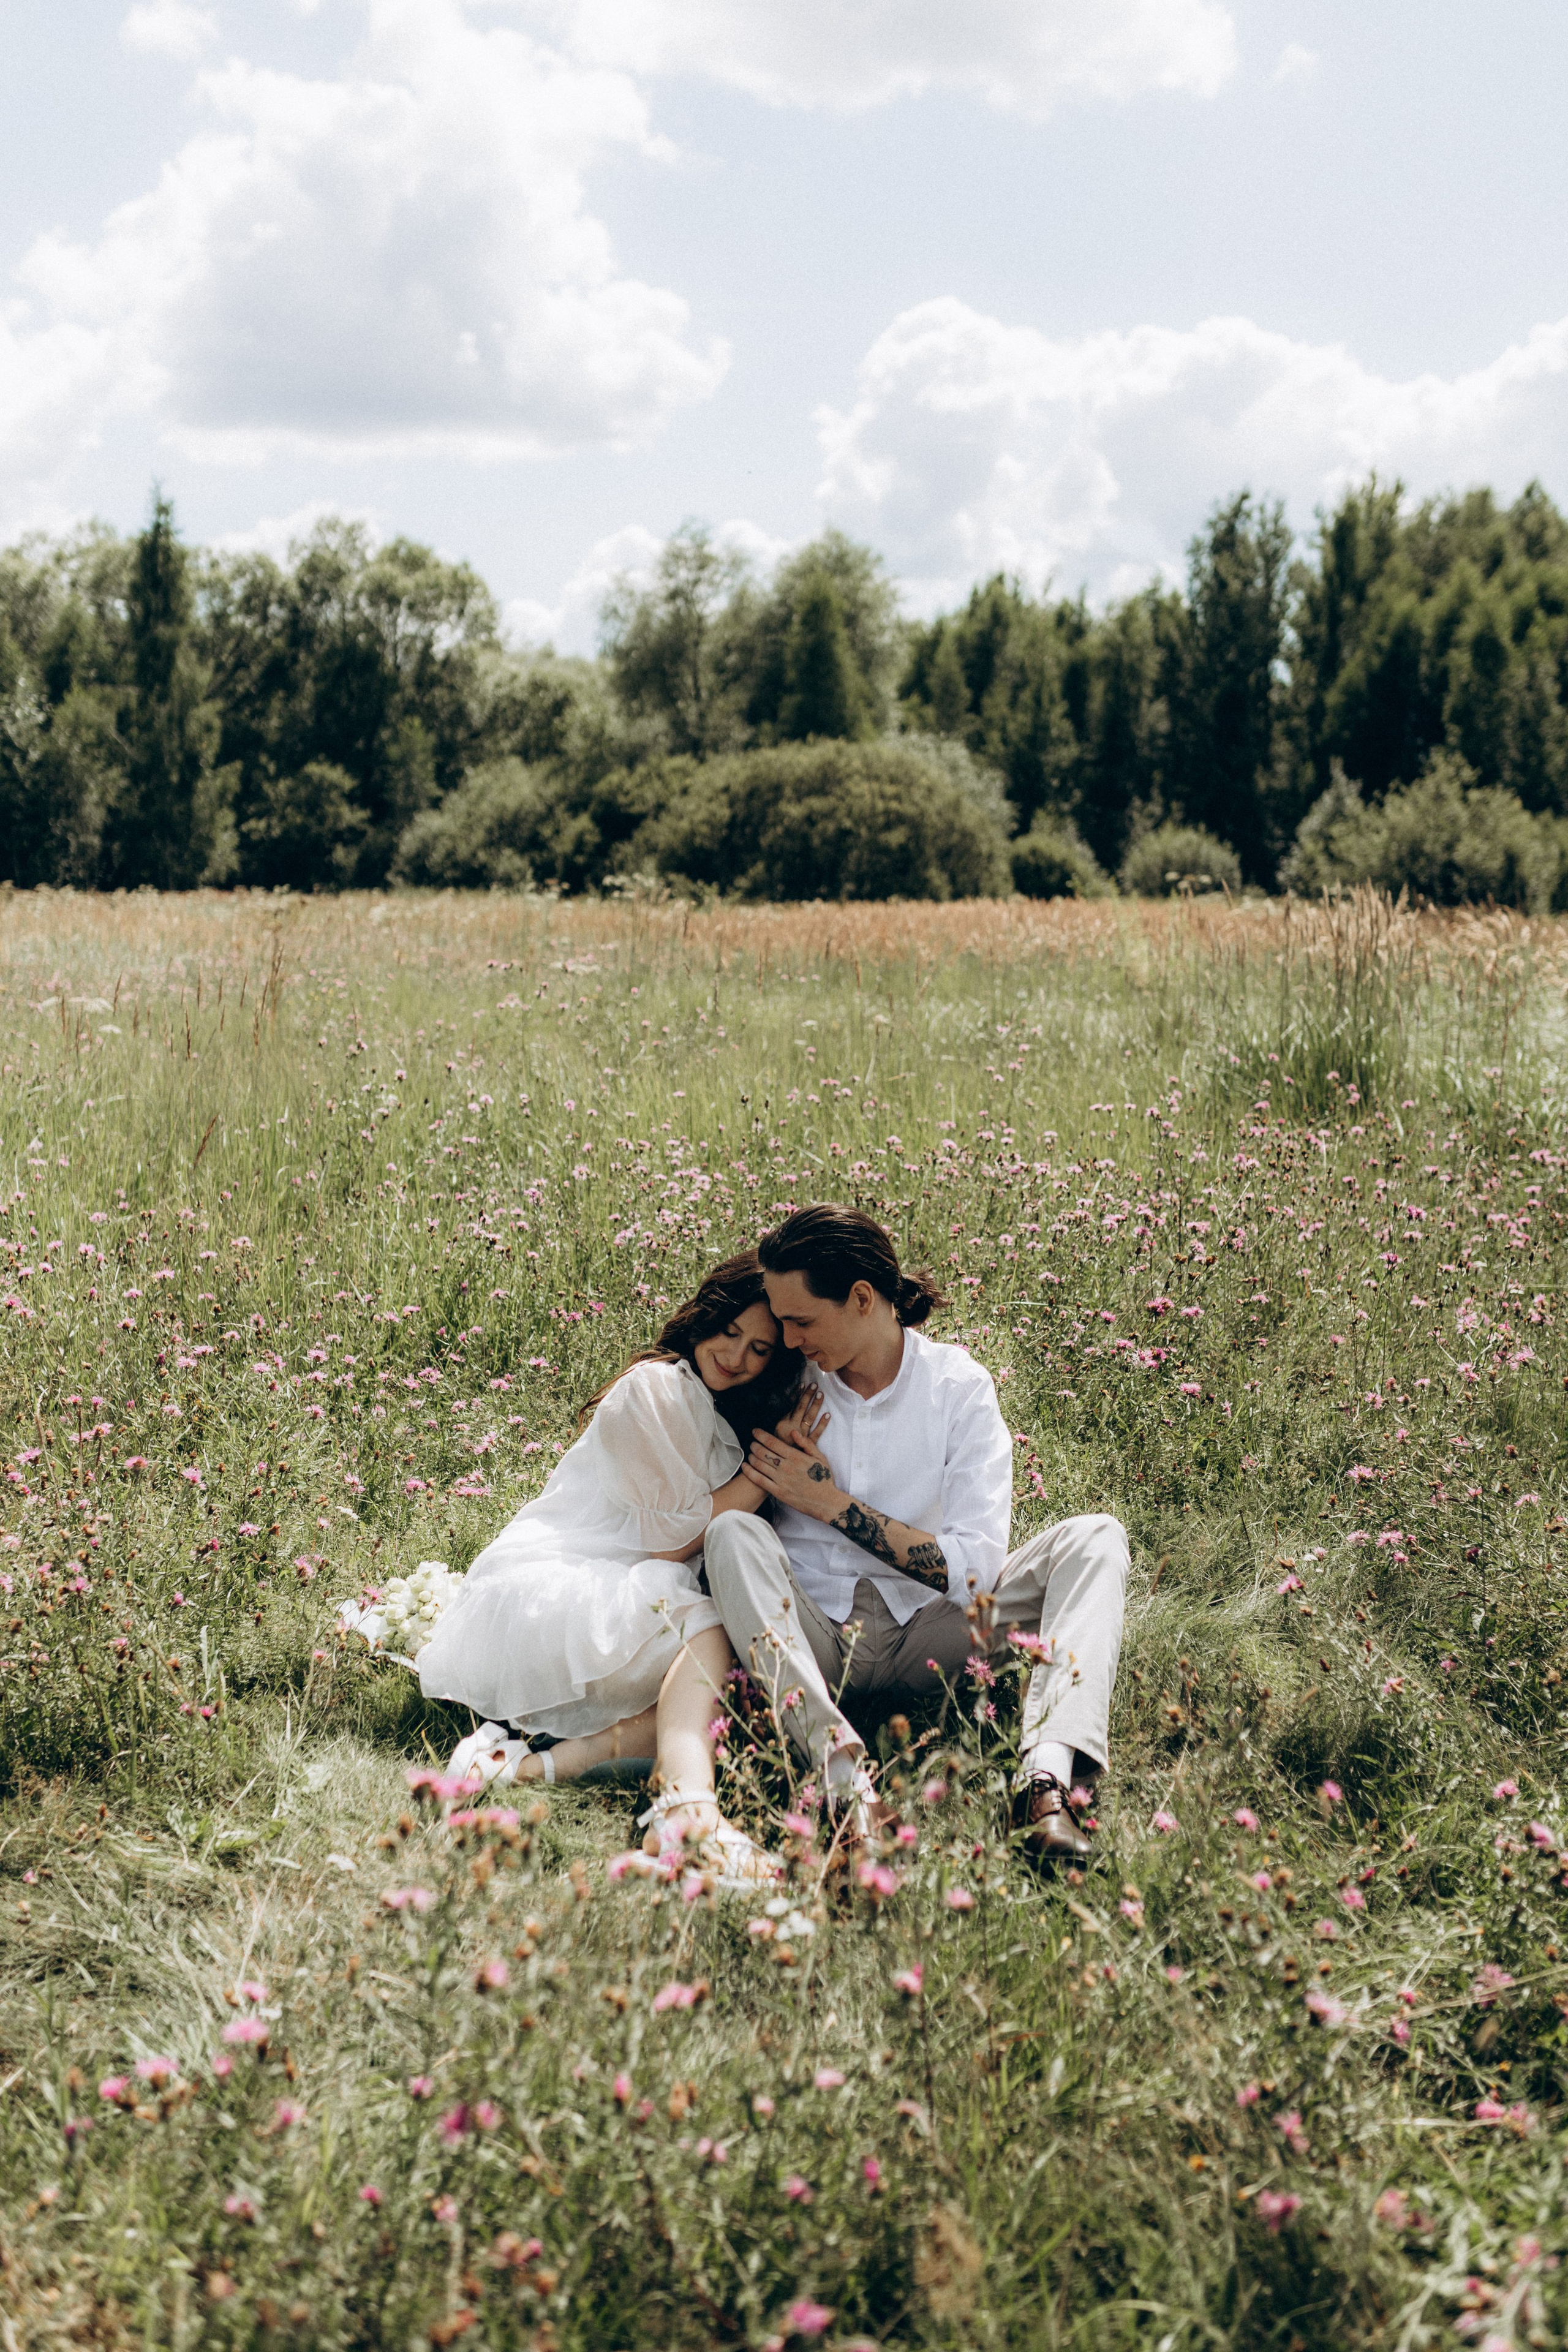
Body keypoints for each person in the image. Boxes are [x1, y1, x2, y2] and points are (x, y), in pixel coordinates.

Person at [701, 1205, 1129, 1861]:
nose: (786, 1338)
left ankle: (1044, 1783)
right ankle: (845, 1788)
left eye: (801, 1321)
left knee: (1095, 1538)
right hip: (811, 1636)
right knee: (732, 1534)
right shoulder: (782, 1379)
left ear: (862, 1299)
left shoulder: (958, 1388)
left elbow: (975, 1572)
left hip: (933, 1633)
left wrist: (831, 1506)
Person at [417, 1251, 803, 1883]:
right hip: (565, 1587)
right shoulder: (656, 1387)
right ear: (705, 1315)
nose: (737, 1356)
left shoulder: (715, 1406)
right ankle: (689, 1814)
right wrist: (769, 1472)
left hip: (623, 1587)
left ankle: (538, 1770)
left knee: (719, 1695)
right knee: (706, 1635)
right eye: (730, 1332)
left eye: (759, 1349)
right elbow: (669, 1544)